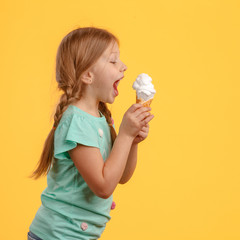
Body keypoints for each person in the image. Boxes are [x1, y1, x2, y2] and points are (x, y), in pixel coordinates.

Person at [28, 27, 154, 240]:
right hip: (57, 235)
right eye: (113, 61)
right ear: (87, 74)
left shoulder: (100, 118)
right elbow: (104, 187)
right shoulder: (77, 122)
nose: (123, 67)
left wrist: (132, 141)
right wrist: (124, 135)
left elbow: (120, 177)